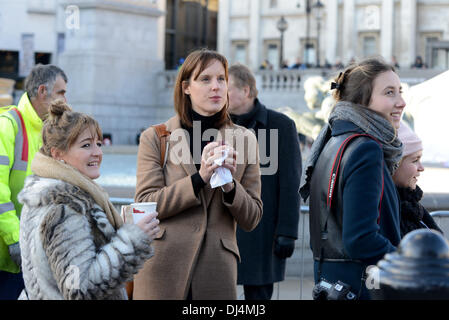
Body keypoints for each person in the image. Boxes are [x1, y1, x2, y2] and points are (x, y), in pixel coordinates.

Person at [133, 49, 263, 300]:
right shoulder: (156, 136)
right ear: (186, 87)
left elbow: (253, 217)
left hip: (215, 273)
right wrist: (200, 177)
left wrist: (229, 185)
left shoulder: (245, 140)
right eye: (205, 79)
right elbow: (147, 202)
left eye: (221, 79)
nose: (216, 86)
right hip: (162, 270)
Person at [17, 101, 159, 299]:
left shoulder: (44, 195)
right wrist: (132, 239)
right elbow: (79, 289)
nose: (97, 152)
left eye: (98, 144)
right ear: (58, 155)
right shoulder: (65, 208)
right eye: (86, 145)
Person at [300, 57, 405, 299]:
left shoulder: (331, 141)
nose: (401, 102)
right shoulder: (366, 149)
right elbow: (361, 238)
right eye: (390, 93)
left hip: (331, 280)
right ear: (361, 100)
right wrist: (408, 263)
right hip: (363, 286)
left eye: (400, 91)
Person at [227, 63, 302, 300]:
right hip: (223, 232)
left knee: (258, 299)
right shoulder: (213, 126)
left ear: (246, 91)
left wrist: (287, 232)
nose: (217, 92)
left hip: (263, 232)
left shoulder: (281, 125)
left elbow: (291, 182)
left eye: (225, 87)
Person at [0, 64, 67, 300]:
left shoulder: (48, 131)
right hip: (8, 255)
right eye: (61, 93)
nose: (65, 99)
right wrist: (14, 240)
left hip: (32, 253)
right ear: (42, 92)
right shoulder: (8, 126)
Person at [393, 121, 443, 237]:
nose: (421, 168)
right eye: (415, 160)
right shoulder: (396, 211)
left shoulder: (412, 206)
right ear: (395, 164)